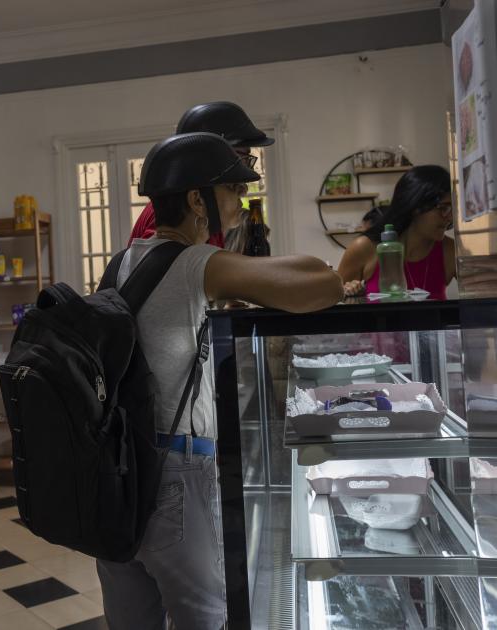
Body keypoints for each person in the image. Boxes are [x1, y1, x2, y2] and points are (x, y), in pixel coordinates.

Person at [97, 133, 344, 630]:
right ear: (197, 200)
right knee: (207, 618)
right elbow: (320, 286)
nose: (241, 201)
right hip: (174, 474)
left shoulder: (122, 262)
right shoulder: (193, 264)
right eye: (232, 189)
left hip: (115, 472)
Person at [128, 101, 274, 248]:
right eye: (243, 158)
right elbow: (161, 260)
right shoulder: (175, 214)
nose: (243, 183)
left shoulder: (209, 219)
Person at [338, 165, 455, 299]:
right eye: (443, 208)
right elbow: (336, 308)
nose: (450, 217)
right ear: (416, 206)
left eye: (451, 209)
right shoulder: (364, 248)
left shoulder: (450, 251)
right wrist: (353, 295)